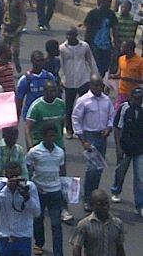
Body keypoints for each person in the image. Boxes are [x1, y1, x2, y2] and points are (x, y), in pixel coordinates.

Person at [72, 75, 115, 211]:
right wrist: (82, 140)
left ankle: (95, 196)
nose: (98, 88)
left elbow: (111, 116)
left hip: (102, 137)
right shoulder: (83, 100)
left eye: (100, 85)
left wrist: (109, 127)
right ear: (90, 86)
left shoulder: (106, 100)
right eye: (95, 85)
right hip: (90, 136)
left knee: (98, 169)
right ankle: (88, 199)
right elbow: (76, 118)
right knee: (92, 170)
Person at [26, 123, 65, 256]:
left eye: (54, 136)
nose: (52, 139)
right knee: (38, 218)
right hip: (39, 191)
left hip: (55, 191)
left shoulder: (60, 152)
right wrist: (32, 186)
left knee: (56, 223)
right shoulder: (34, 152)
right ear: (43, 137)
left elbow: (62, 171)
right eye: (49, 136)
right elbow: (28, 170)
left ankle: (58, 252)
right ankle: (39, 243)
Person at [0, 161, 40, 256]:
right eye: (11, 176)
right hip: (4, 237)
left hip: (23, 237)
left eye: (17, 175)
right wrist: (7, 190)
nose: (15, 179)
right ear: (6, 175)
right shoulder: (0, 184)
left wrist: (27, 198)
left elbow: (37, 212)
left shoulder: (29, 186)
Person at [59, 27, 97, 139]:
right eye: (67, 35)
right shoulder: (62, 48)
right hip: (69, 81)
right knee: (69, 106)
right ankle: (69, 128)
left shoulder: (84, 46)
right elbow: (61, 64)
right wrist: (61, 78)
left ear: (76, 35)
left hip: (83, 79)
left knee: (84, 105)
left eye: (71, 35)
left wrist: (95, 76)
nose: (69, 37)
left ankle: (82, 128)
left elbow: (91, 61)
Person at [111, 87, 143, 210]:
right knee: (120, 172)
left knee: (140, 177)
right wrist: (119, 148)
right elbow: (117, 129)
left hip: (140, 149)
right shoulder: (124, 108)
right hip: (125, 147)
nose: (138, 101)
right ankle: (116, 190)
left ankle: (139, 204)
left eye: (140, 99)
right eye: (136, 99)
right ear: (131, 98)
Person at [70, 189, 125, 256]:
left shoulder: (117, 223)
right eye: (100, 204)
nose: (105, 207)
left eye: (106, 203)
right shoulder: (84, 225)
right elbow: (77, 247)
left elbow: (119, 247)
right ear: (92, 205)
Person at [83, 0, 118, 77]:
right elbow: (88, 30)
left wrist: (116, 43)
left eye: (110, 1)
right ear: (101, 1)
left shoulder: (111, 14)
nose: (110, 4)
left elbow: (115, 29)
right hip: (94, 45)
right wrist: (86, 44)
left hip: (106, 45)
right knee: (95, 67)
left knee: (105, 68)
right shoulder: (93, 13)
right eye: (108, 1)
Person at [16, 50, 56, 119]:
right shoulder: (25, 79)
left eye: (42, 60)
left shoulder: (49, 77)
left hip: (46, 114)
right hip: (31, 115)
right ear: (32, 61)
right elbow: (19, 100)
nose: (40, 63)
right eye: (37, 60)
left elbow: (56, 96)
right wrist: (17, 118)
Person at [110, 39, 143, 109]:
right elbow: (119, 73)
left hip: (134, 94)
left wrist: (128, 79)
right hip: (122, 91)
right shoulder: (121, 59)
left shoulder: (140, 61)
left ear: (129, 49)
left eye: (123, 47)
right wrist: (113, 76)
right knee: (117, 110)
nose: (121, 48)